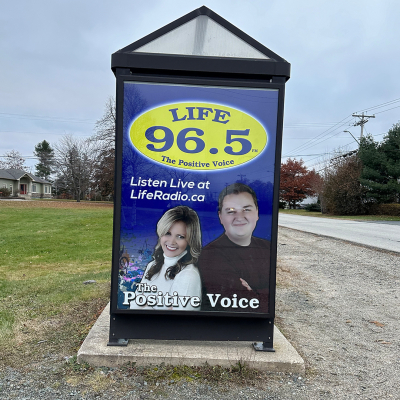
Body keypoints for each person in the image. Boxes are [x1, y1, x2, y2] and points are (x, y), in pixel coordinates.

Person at [199, 183, 270, 313]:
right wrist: (262, 293)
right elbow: (244, 307)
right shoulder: (211, 255)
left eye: (247, 209)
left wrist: (255, 294)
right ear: (220, 217)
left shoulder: (268, 248)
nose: (239, 217)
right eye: (231, 211)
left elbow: (270, 303)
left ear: (257, 213)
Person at [130, 206, 202, 311]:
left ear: (190, 241)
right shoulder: (153, 265)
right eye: (168, 233)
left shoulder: (188, 275)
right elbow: (134, 304)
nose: (172, 242)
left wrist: (145, 305)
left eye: (180, 236)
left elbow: (179, 323)